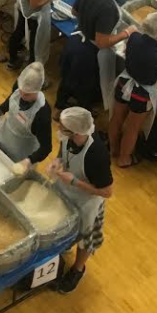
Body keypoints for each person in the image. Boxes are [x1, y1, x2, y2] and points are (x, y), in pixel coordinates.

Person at [48, 108, 115, 295]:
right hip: (66, 190)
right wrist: (57, 162)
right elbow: (63, 152)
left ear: (77, 132)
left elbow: (107, 191)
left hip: (87, 202)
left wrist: (75, 182)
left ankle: (78, 269)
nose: (59, 130)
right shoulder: (69, 138)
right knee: (61, 224)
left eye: (63, 128)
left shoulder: (97, 154)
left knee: (86, 239)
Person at [109, 11, 157, 168]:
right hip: (142, 93)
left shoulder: (134, 37)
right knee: (133, 128)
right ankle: (124, 159)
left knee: (117, 118)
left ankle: (113, 149)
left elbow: (140, 50)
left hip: (124, 83)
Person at [73, 0, 137, 111]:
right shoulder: (108, 7)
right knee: (87, 86)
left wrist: (90, 20)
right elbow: (102, 43)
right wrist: (127, 33)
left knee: (72, 80)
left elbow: (74, 12)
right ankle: (85, 108)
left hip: (75, 42)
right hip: (92, 52)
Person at [0, 62, 53, 168]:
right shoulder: (19, 86)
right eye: (21, 91)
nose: (21, 95)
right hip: (5, 136)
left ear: (38, 90)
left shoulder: (42, 112)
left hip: (22, 152)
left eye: (26, 94)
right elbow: (12, 99)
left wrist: (29, 160)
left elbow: (46, 148)